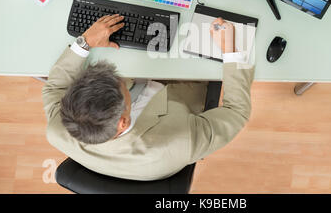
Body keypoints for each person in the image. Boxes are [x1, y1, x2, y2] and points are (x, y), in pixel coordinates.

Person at [42, 14, 255, 180]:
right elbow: (236, 112)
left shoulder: (57, 129)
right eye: (120, 83)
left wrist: (84, 42)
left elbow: (54, 88)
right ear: (123, 122)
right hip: (179, 93)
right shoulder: (179, 142)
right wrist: (230, 49)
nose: (120, 78)